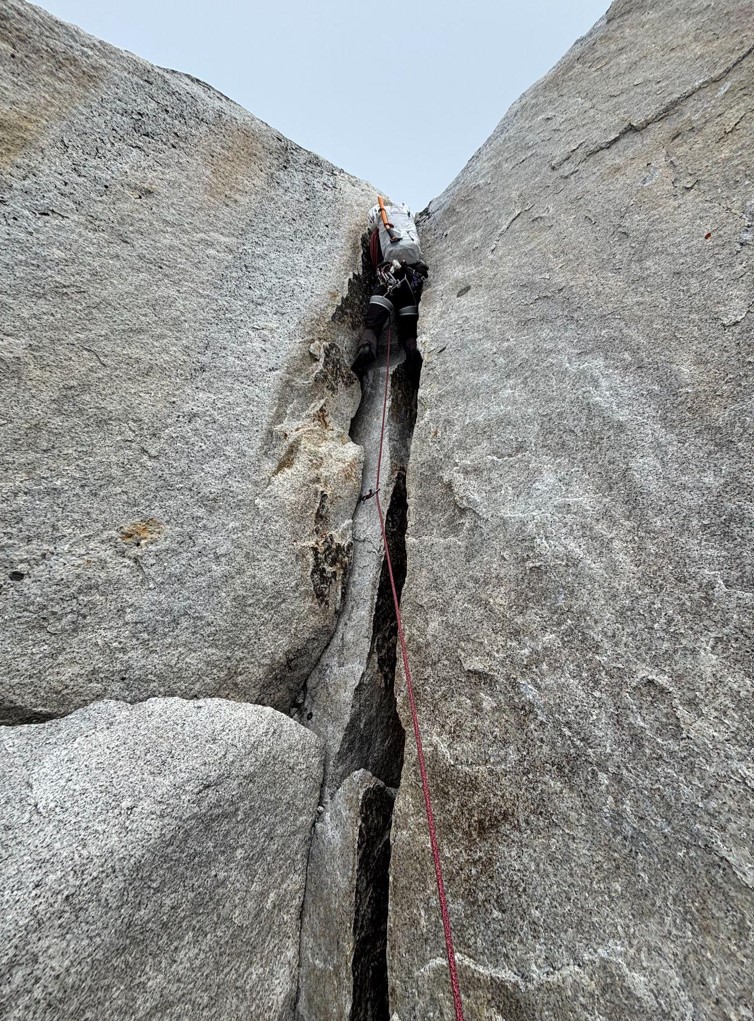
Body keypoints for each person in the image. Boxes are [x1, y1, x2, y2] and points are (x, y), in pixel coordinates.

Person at [352, 197, 428, 384]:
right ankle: (412, 355)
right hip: (410, 279)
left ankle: (367, 346)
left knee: (373, 323)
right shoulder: (406, 216)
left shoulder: (379, 219)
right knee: (408, 327)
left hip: (388, 276)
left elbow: (375, 251)